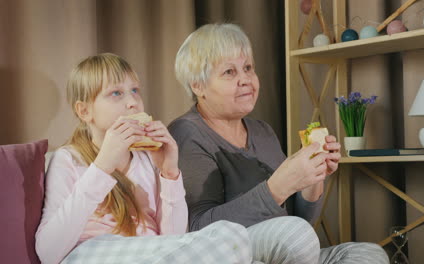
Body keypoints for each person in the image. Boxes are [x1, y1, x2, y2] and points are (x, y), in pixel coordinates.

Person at [169, 23, 390, 264]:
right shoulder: (187, 133)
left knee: (369, 254)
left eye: (248, 68)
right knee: (294, 236)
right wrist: (277, 187)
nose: (245, 79)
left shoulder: (262, 132)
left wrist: (313, 179)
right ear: (198, 85)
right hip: (232, 255)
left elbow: (300, 222)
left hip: (287, 249)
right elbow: (198, 229)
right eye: (229, 72)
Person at [35, 53, 265, 264]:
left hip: (151, 252)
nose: (132, 102)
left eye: (135, 90)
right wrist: (102, 166)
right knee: (231, 238)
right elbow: (47, 252)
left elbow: (175, 238)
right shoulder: (67, 160)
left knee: (234, 238)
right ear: (85, 111)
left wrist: (169, 173)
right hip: (89, 253)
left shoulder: (146, 159)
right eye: (116, 93)